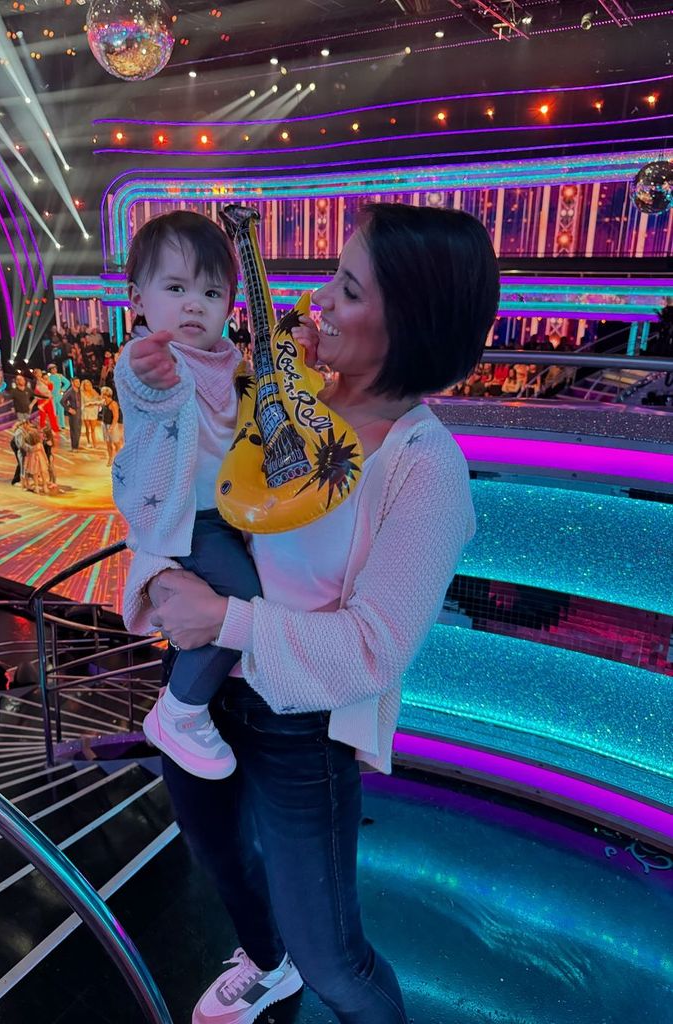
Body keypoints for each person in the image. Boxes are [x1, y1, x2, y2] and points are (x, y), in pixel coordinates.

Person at [122, 202, 500, 1024]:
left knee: (333, 958)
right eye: (333, 275)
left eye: (349, 289)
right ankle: (264, 963)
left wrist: (220, 620)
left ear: (410, 325)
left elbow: (373, 650)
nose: (319, 301)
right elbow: (172, 485)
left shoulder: (425, 469)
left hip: (298, 726)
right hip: (200, 686)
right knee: (218, 861)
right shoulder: (289, 393)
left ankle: (301, 969)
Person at [113, 209, 262, 783]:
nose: (194, 304)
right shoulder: (153, 359)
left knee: (237, 604)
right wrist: (145, 371)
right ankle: (178, 712)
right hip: (189, 520)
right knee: (244, 603)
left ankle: (190, 705)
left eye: (210, 291)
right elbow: (141, 384)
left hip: (227, 514)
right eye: (175, 288)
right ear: (139, 298)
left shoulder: (231, 362)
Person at [98, 386, 122, 467]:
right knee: (108, 443)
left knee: (116, 443)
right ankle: (110, 458)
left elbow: (116, 417)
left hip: (111, 425)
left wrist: (111, 427)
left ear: (106, 394)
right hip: (104, 424)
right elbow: (97, 404)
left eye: (102, 393)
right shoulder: (103, 402)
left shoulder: (113, 404)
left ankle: (119, 460)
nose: (101, 395)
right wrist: (89, 404)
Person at [47, 363, 71, 430]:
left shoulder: (59, 376)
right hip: (52, 396)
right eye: (52, 369)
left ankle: (62, 425)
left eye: (55, 368)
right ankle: (54, 425)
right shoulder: (48, 378)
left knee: (61, 410)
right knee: (53, 412)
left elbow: (68, 383)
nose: (54, 370)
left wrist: (63, 389)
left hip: (59, 396)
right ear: (50, 370)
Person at [60, 376, 83, 451]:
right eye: (76, 382)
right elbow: (62, 401)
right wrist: (69, 409)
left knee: (78, 429)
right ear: (72, 383)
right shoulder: (70, 391)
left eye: (79, 382)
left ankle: (77, 445)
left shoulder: (79, 391)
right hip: (74, 412)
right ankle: (74, 447)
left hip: (79, 411)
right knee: (74, 430)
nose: (78, 383)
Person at [80, 378, 102, 448]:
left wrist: (100, 399)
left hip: (93, 412)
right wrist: (88, 404)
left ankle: (95, 443)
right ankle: (89, 442)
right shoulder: (81, 393)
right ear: (83, 386)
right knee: (87, 428)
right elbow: (82, 404)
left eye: (89, 385)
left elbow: (99, 399)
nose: (88, 386)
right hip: (86, 412)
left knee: (93, 429)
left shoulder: (94, 391)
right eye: (86, 385)